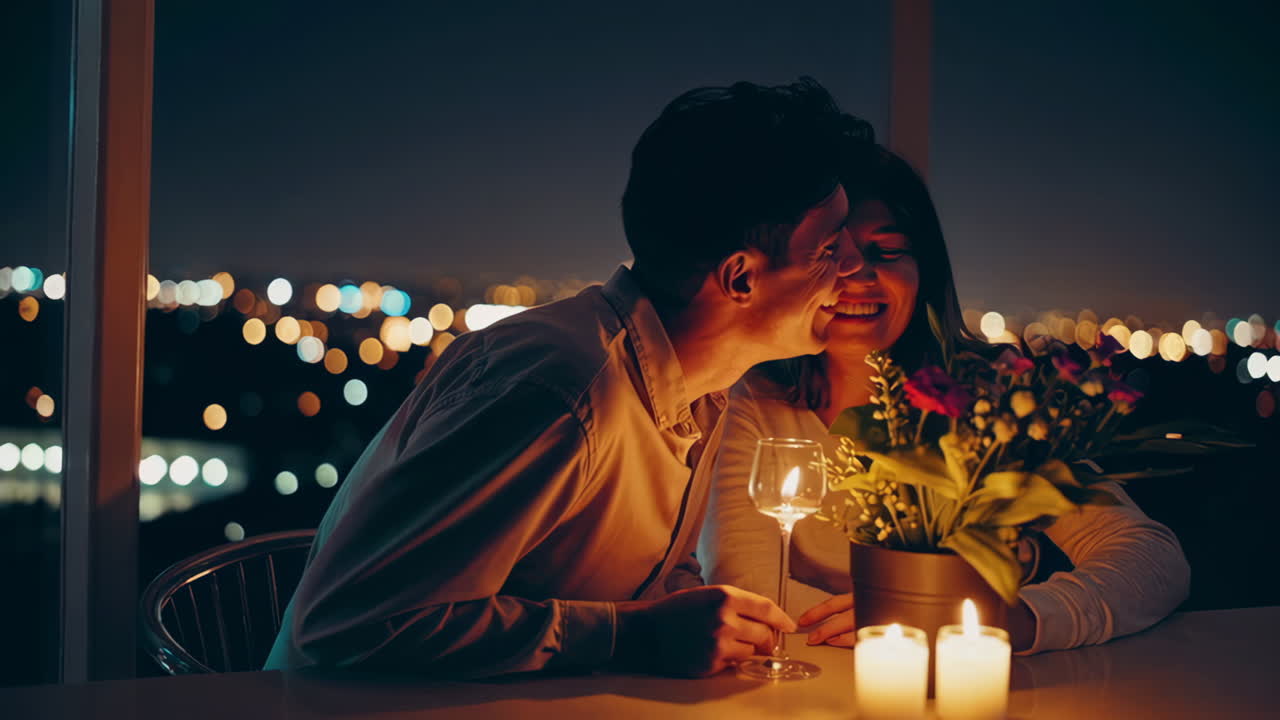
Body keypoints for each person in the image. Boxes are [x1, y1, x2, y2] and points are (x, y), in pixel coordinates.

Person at [265, 78, 876, 678]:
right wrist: (633, 635)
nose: (854, 263)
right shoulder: (560, 394)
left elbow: (642, 582)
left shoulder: (703, 390)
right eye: (828, 248)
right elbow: (348, 627)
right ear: (740, 278)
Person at [698, 143, 1191, 653]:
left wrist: (1012, 620)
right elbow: (746, 579)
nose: (857, 275)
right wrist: (897, 622)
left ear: (924, 269)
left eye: (885, 252)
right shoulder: (754, 399)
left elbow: (1152, 558)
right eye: (830, 255)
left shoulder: (991, 404)